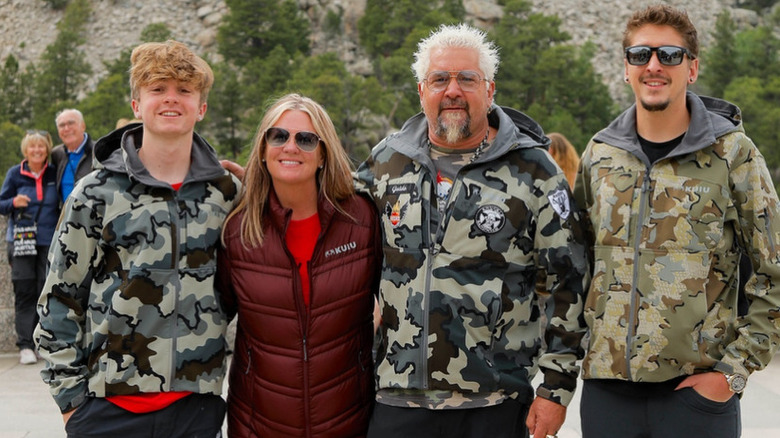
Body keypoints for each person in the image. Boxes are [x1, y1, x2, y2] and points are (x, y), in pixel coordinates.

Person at [354, 23, 590, 438]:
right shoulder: (386, 162)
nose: (453, 91)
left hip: (494, 402)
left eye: (467, 79)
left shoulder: (534, 170)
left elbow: (567, 283)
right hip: (397, 396)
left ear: (490, 89)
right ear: (421, 90)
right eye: (440, 79)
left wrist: (556, 389)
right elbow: (335, 225)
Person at [573, 5, 780, 438]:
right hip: (608, 393)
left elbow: (773, 270)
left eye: (669, 55)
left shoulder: (733, 155)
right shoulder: (599, 156)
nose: (653, 65)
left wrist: (733, 372)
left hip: (696, 399)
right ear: (626, 68)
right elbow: (572, 269)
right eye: (640, 55)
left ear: (692, 68)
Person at [34, 40, 240, 437]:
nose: (171, 99)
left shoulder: (227, 194)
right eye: (157, 88)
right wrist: (70, 404)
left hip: (196, 408)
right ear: (136, 104)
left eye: (184, 90)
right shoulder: (95, 194)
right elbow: (60, 298)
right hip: (108, 409)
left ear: (202, 107)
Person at [217, 93, 381, 437]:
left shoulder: (363, 219)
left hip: (349, 420)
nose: (290, 147)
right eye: (278, 136)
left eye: (306, 139)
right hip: (258, 423)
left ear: (323, 155)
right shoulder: (237, 231)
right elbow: (210, 321)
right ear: (263, 150)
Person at [0, 130, 58, 365]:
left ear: (47, 150)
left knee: (46, 292)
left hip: (48, 242)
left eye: (41, 147)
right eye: (32, 147)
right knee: (24, 292)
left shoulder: (54, 173)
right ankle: (25, 344)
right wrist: (13, 202)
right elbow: (1, 204)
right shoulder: (15, 174)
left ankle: (42, 342)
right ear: (26, 150)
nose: (37, 151)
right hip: (22, 242)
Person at [51, 108, 95, 202]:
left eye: (71, 123)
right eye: (62, 125)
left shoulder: (99, 151)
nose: (66, 128)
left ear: (83, 126)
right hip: (66, 215)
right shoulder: (56, 154)